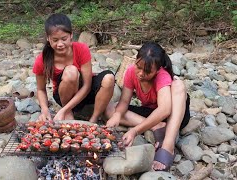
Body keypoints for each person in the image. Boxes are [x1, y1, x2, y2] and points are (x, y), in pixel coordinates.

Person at [105, 42, 190, 171]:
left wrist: (135, 131)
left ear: (157, 70)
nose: (140, 74)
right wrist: (117, 115)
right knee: (110, 108)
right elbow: (124, 102)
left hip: (174, 115)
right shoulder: (130, 71)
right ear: (136, 60)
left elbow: (165, 110)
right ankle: (157, 126)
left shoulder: (162, 75)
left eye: (147, 71)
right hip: (152, 114)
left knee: (178, 85)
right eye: (138, 67)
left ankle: (168, 145)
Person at [33, 13, 115, 123]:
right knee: (71, 71)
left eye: (64, 38)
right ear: (48, 39)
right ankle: (68, 113)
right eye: (55, 40)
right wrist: (45, 109)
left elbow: (87, 85)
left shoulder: (81, 49)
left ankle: (93, 119)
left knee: (109, 78)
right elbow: (41, 89)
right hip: (63, 95)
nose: (60, 44)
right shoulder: (42, 59)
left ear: (71, 35)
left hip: (86, 92)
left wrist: (62, 111)